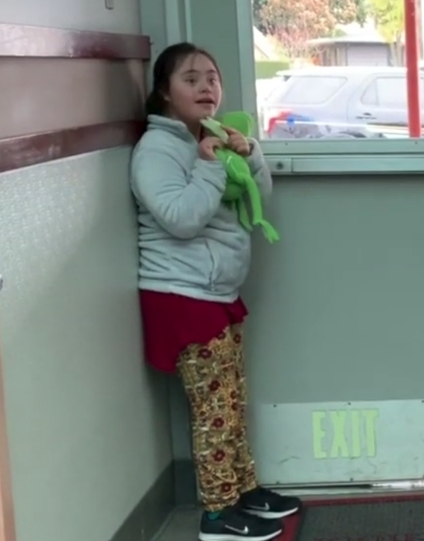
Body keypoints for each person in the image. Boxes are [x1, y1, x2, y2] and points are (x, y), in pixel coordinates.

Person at [132, 42, 300, 541]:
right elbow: (180, 219)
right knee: (214, 409)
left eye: (213, 77)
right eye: (191, 79)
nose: (207, 87)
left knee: (231, 399)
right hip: (180, 296)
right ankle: (217, 515)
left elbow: (258, 195)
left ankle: (243, 492)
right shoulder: (157, 149)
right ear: (164, 92)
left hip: (212, 292)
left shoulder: (211, 136)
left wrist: (249, 152)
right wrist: (208, 164)